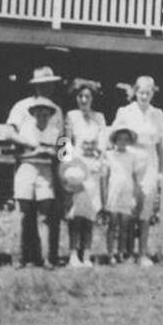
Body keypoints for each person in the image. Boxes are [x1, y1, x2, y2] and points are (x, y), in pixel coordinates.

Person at [111, 76, 163, 266]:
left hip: (149, 161)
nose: (144, 95)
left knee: (145, 209)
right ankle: (125, 252)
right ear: (135, 92)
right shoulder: (125, 111)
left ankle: (142, 252)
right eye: (141, 92)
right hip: (129, 160)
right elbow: (113, 137)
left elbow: (160, 145)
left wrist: (160, 171)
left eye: (148, 92)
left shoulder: (157, 114)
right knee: (129, 207)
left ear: (153, 93)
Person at [14, 97, 61, 268]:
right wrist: (36, 152)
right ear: (33, 114)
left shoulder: (56, 131)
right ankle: (19, 257)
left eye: (45, 114)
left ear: (50, 115)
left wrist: (50, 152)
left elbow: (66, 155)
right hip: (27, 169)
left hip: (46, 172)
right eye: (39, 114)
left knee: (44, 216)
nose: (42, 117)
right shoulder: (25, 131)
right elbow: (18, 156)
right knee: (24, 215)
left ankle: (47, 258)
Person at [63, 81, 106, 268]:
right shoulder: (71, 116)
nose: (83, 100)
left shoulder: (100, 117)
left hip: (93, 170)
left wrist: (99, 157)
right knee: (75, 215)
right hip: (76, 170)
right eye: (80, 96)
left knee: (89, 215)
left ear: (92, 99)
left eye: (87, 97)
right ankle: (73, 255)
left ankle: (87, 255)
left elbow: (103, 144)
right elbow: (65, 143)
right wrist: (66, 167)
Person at [103, 126, 147, 263]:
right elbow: (105, 177)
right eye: (120, 139)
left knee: (124, 226)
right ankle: (110, 253)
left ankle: (121, 252)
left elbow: (134, 176)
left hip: (127, 191)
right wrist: (105, 197)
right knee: (112, 224)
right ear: (115, 140)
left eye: (125, 139)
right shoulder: (109, 155)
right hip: (114, 190)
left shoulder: (132, 156)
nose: (122, 141)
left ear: (129, 141)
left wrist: (135, 194)